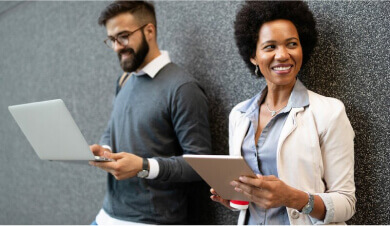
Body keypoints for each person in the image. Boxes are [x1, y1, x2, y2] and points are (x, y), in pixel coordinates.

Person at [210, 1, 356, 225]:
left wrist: (292, 198)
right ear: (253, 56)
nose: (283, 55)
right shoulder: (239, 115)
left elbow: (347, 203)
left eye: (291, 44)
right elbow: (249, 198)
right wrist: (235, 200)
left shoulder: (329, 112)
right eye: (270, 47)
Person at [88, 1, 212, 224]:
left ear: (149, 31)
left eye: (123, 36)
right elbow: (112, 129)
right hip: (106, 215)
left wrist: (144, 167)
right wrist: (104, 150)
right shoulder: (124, 80)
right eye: (112, 40)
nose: (117, 47)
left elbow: (200, 165)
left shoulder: (183, 88)